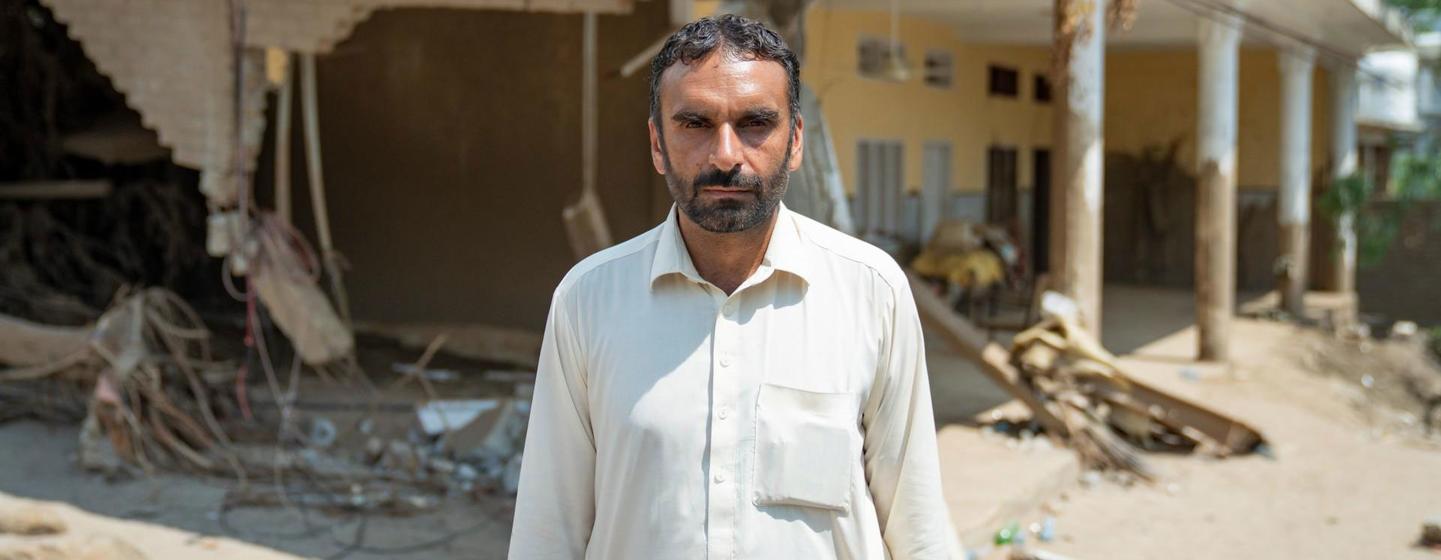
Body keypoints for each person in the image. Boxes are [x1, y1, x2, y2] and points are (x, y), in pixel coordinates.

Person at [509, 14, 958, 559]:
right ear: (657, 144)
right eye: (695, 124)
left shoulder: (870, 292)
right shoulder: (588, 301)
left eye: (754, 123)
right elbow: (546, 534)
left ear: (794, 141)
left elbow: (920, 531)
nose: (725, 155)